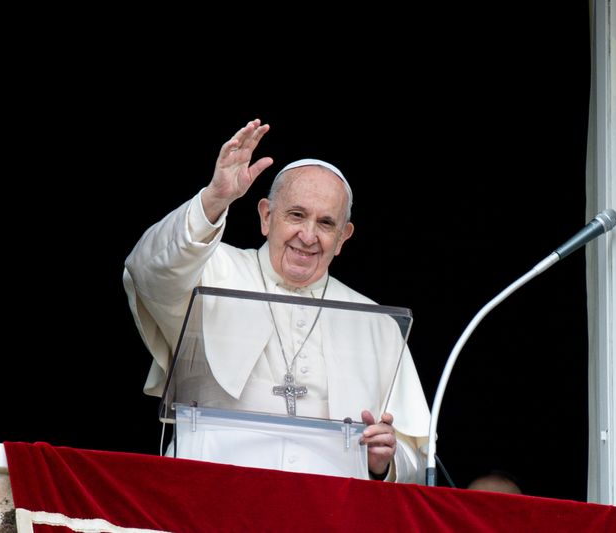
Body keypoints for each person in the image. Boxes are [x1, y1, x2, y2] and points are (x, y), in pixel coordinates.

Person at [123, 119, 430, 483]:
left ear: (343, 237)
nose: (308, 235)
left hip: (328, 511)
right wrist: (214, 199)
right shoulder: (211, 267)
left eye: (326, 223)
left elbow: (418, 457)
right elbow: (148, 271)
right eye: (296, 215)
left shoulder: (377, 324)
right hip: (211, 492)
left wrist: (386, 462)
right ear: (266, 216)